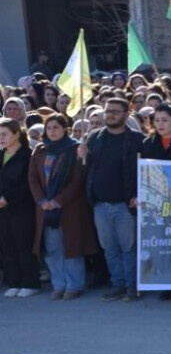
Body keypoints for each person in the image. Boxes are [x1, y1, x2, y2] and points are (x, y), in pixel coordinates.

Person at [80, 98, 145, 302]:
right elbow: (88, 168)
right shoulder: (94, 137)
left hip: (126, 205)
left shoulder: (137, 139)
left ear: (126, 114)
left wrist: (138, 194)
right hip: (100, 204)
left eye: (115, 111)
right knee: (109, 249)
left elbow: (145, 170)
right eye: (108, 111)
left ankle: (131, 287)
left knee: (128, 248)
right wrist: (82, 155)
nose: (110, 115)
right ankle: (117, 284)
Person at [28, 113, 97, 300]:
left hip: (69, 208)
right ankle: (58, 284)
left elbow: (78, 180)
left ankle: (74, 285)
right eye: (49, 128)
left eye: (56, 127)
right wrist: (42, 201)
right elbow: (33, 178)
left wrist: (58, 201)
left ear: (64, 129)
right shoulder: (40, 151)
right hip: (45, 209)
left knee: (71, 247)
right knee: (52, 249)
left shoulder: (75, 149)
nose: (52, 131)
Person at [140, 104, 171, 301]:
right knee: (164, 244)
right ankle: (170, 283)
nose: (160, 124)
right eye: (157, 120)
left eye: (165, 120)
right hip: (157, 201)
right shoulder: (148, 143)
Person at [0, 118, 39, 298]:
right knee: (7, 245)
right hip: (3, 210)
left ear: (16, 134)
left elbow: (28, 184)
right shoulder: (1, 155)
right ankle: (14, 282)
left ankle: (30, 283)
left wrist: (8, 199)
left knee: (23, 244)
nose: (1, 138)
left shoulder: (27, 155)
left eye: (4, 134)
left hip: (22, 208)